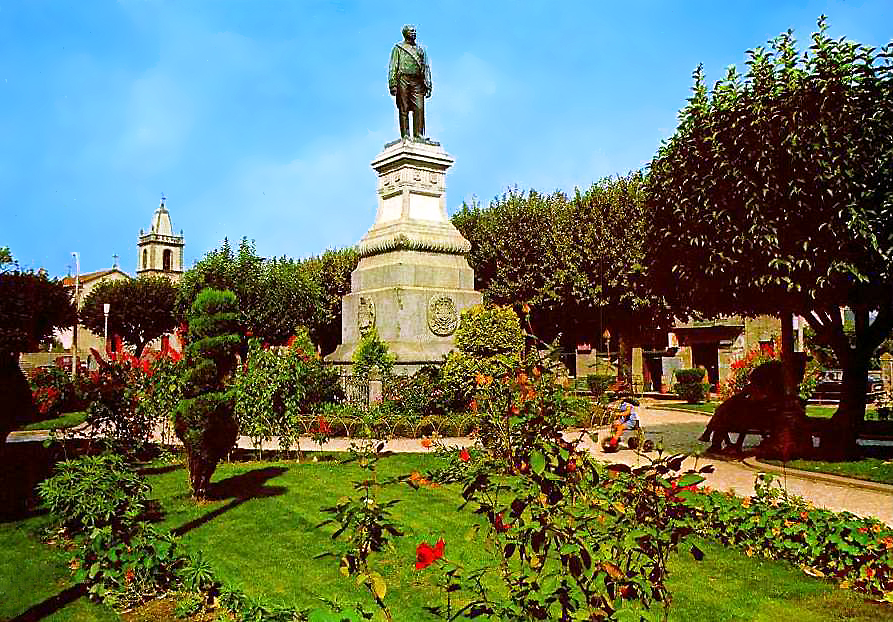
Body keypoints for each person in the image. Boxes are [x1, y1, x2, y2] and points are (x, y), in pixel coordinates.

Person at [388, 24, 432, 140]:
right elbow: (393, 66)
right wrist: (392, 83)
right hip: (403, 79)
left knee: (419, 108)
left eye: (415, 31)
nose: (414, 33)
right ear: (405, 33)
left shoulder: (420, 49)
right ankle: (405, 135)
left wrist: (428, 84)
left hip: (417, 81)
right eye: (411, 31)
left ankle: (418, 134)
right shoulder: (398, 48)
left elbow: (426, 66)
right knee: (404, 108)